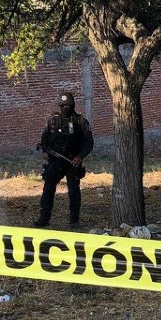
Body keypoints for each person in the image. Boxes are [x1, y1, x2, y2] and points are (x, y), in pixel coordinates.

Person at [35, 92, 93, 227]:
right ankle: (44, 218)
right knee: (48, 189)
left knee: (74, 191)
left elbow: (89, 142)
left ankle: (74, 220)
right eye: (62, 105)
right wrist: (44, 150)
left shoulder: (80, 121)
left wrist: (80, 157)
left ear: (72, 105)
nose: (65, 108)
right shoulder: (53, 121)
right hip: (55, 161)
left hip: (72, 162)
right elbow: (44, 137)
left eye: (67, 105)